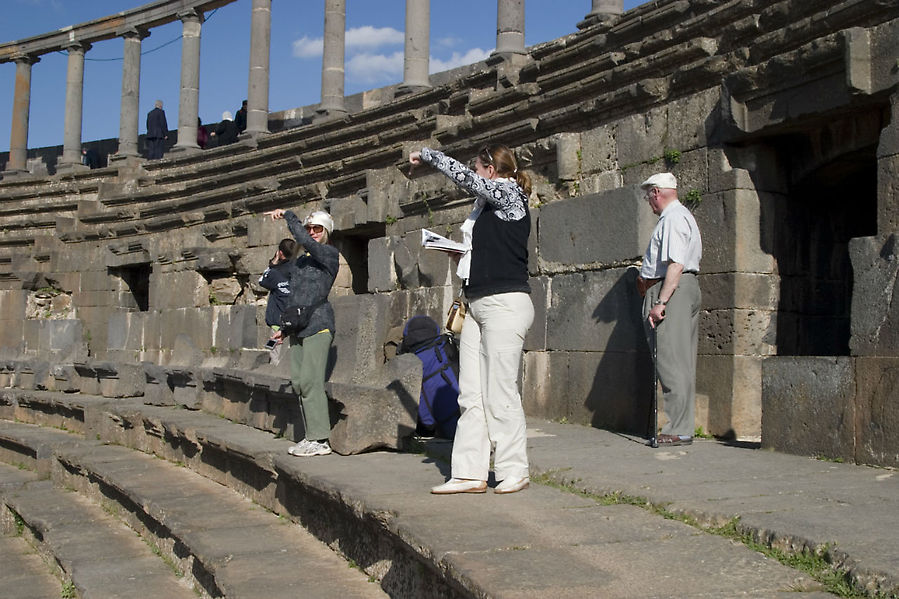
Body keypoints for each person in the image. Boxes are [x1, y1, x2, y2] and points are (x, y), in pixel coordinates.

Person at [409, 144, 534, 495]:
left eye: (478, 169)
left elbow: (466, 179)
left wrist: (430, 155)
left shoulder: (509, 193)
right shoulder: (485, 209)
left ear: (491, 170)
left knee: (500, 390)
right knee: (472, 393)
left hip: (504, 303)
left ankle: (514, 469)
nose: (475, 176)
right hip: (477, 301)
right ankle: (469, 472)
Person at [264, 208, 339, 457]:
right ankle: (310, 436)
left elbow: (304, 241)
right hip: (298, 328)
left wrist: (289, 215)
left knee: (310, 381)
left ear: (326, 231)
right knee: (298, 382)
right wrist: (284, 330)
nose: (312, 233)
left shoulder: (329, 255)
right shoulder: (301, 262)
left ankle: (320, 439)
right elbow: (295, 298)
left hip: (319, 325)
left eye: (318, 228)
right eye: (309, 228)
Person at [636, 173, 703, 447]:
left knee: (669, 359)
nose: (648, 202)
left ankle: (678, 427)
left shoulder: (673, 218)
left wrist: (661, 301)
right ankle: (683, 426)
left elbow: (675, 263)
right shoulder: (682, 216)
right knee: (682, 361)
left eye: (648, 196)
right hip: (683, 288)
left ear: (656, 192)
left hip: (671, 288)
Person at [258, 238, 297, 365]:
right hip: (296, 319)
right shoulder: (299, 269)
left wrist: (273, 262)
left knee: (274, 353)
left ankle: (272, 370)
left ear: (280, 253)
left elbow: (262, 280)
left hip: (277, 322)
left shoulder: (275, 272)